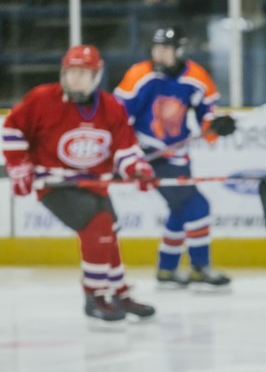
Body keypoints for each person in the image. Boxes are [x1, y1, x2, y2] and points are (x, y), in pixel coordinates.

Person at [3, 44, 156, 325]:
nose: (75, 78)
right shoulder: (41, 100)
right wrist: (20, 166)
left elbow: (125, 149)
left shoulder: (111, 107)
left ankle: (118, 291)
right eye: (70, 72)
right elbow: (12, 128)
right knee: (97, 225)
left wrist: (138, 168)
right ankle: (95, 295)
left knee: (108, 230)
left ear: (96, 76)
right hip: (54, 185)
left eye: (82, 73)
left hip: (93, 183)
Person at [114, 26, 237, 290]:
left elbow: (207, 112)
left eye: (166, 50)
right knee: (196, 206)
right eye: (156, 49)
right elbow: (117, 116)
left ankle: (167, 269)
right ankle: (200, 267)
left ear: (178, 51)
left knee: (179, 210)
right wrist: (129, 153)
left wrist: (216, 125)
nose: (159, 55)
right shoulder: (139, 75)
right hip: (149, 155)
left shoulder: (196, 76)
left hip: (178, 155)